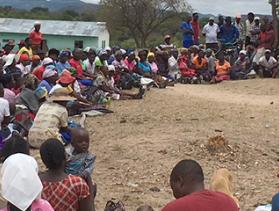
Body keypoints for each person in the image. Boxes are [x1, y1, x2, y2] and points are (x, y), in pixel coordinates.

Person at [162, 159, 239, 211]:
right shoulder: (229, 202)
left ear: (180, 181)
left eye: (173, 188)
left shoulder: (174, 208)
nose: (174, 196)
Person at [40, 139, 94, 211]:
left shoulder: (37, 182)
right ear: (65, 156)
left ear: (44, 160)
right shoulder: (77, 183)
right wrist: (91, 190)